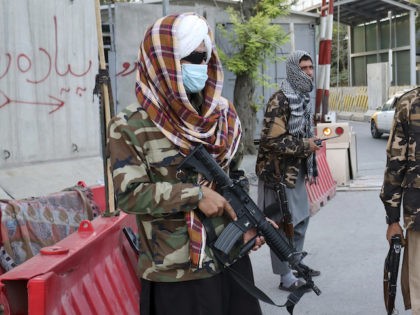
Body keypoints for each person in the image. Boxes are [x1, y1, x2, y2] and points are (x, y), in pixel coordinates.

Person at [107, 13, 263, 315]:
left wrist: (247, 222)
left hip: (230, 260)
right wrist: (196, 195)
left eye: (205, 58)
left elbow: (232, 180)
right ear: (164, 64)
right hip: (178, 274)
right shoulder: (130, 125)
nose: (201, 66)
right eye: (193, 58)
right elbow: (129, 195)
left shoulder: (220, 117)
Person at [255, 50, 320, 292]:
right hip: (278, 174)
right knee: (281, 226)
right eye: (302, 68)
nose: (308, 73)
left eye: (310, 68)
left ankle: (296, 264)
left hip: (297, 170)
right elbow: (271, 141)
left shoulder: (302, 97)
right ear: (293, 71)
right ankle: (285, 277)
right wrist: (305, 145)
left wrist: (310, 144)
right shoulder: (280, 100)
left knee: (300, 221)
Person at [380, 87, 420, 314]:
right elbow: (396, 164)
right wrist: (392, 220)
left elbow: (395, 164)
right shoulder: (408, 103)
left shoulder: (409, 102)